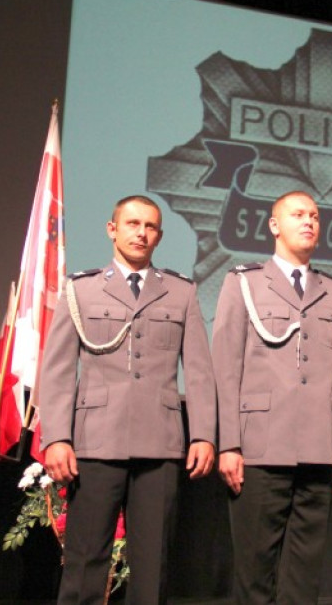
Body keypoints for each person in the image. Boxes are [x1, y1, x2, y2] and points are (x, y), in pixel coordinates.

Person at [38, 195, 217, 605]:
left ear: (159, 236)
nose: (141, 232)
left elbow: (201, 373)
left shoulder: (180, 292)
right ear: (112, 229)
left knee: (153, 569)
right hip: (96, 440)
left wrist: (204, 434)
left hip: (160, 443)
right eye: (132, 223)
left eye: (150, 226)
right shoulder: (81, 289)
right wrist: (57, 438)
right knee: (85, 562)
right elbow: (59, 370)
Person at [213, 190, 332, 605]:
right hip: (259, 446)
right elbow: (226, 370)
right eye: (298, 214)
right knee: (254, 574)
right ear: (274, 225)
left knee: (304, 577)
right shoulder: (243, 282)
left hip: (318, 448)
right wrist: (229, 444)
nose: (309, 221)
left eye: (314, 215)